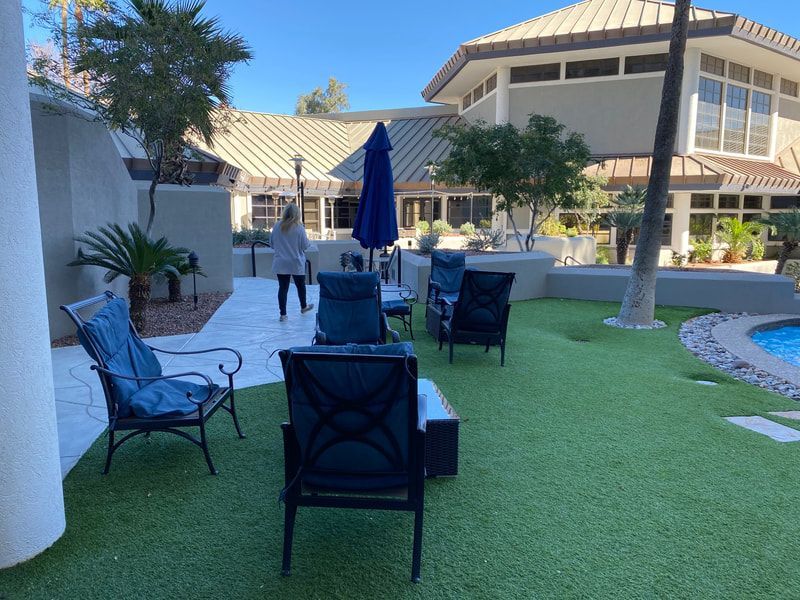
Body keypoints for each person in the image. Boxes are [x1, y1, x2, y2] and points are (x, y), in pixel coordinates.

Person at [270, 203, 314, 321]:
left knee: (283, 288)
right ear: (297, 214)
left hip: (281, 262)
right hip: (296, 262)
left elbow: (272, 244)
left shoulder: (277, 226)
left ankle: (283, 314)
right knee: (300, 286)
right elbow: (305, 245)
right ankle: (303, 306)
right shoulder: (299, 228)